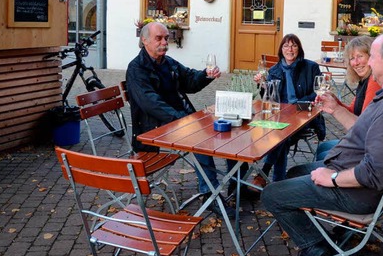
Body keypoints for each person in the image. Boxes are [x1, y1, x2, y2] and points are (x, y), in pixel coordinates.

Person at [262, 33, 383, 256]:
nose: (367, 63)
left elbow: (374, 173)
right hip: (355, 173)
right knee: (295, 173)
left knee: (271, 194)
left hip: (359, 194)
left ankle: (317, 246)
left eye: (372, 57)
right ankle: (325, 238)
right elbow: (367, 132)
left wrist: (333, 178)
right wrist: (335, 109)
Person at [125, 22, 233, 215]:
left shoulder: (168, 62)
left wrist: (206, 75)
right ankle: (210, 194)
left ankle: (235, 183)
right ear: (144, 40)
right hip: (155, 128)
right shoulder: (136, 69)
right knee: (201, 137)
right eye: (159, 38)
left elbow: (189, 80)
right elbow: (152, 104)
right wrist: (184, 121)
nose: (164, 42)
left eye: (166, 38)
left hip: (179, 120)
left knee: (229, 126)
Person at [249, 34, 325, 190]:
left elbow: (318, 92)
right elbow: (270, 99)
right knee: (278, 134)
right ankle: (277, 182)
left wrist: (298, 104)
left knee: (280, 136)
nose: (290, 49)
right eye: (286, 46)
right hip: (280, 115)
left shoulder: (311, 67)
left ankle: (266, 174)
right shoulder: (274, 70)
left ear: (299, 48)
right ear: (281, 49)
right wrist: (263, 85)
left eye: (294, 45)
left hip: (305, 114)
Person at [314, 36, 381, 161]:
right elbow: (352, 110)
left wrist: (335, 108)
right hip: (361, 141)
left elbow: (363, 124)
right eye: (352, 58)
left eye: (360, 56)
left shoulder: (374, 81)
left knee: (325, 154)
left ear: (371, 56)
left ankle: (326, 176)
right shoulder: (365, 80)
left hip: (365, 148)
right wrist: (335, 101)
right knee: (323, 147)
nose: (356, 63)